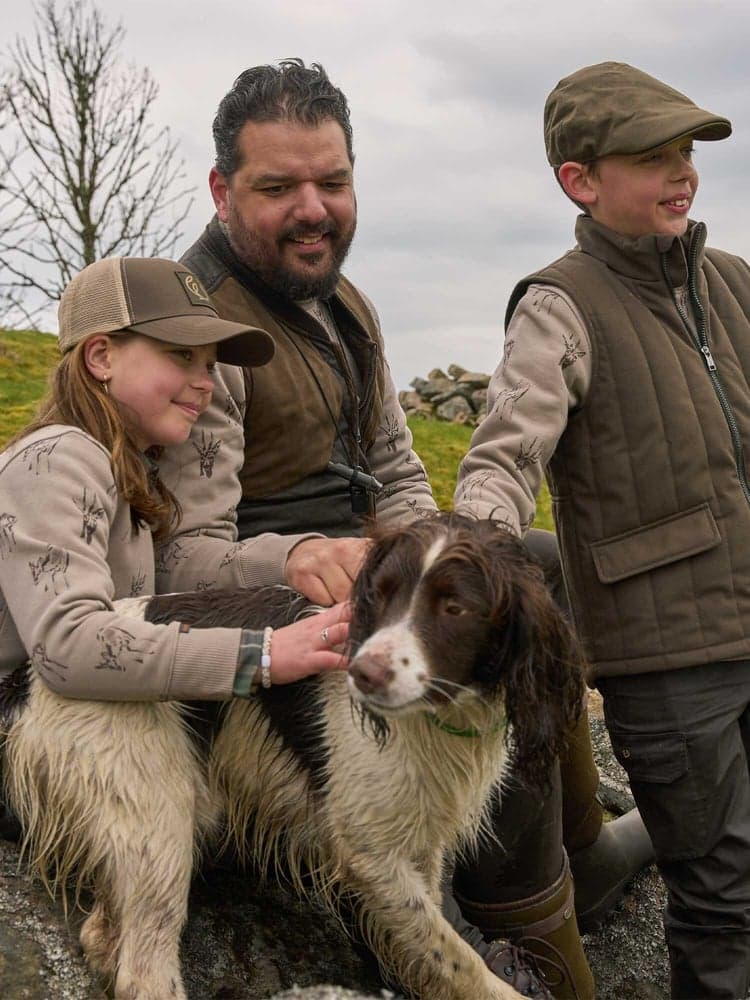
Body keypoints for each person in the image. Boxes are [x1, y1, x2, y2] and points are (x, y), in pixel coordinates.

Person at [156, 60, 648, 1000]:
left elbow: (394, 468)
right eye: (278, 187)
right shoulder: (197, 330)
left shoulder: (348, 305)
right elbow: (186, 552)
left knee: (528, 571)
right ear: (222, 191)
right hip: (284, 606)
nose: (314, 209)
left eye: (333, 183)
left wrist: (445, 550)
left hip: (380, 573)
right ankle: (521, 918)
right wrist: (302, 555)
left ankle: (577, 847)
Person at [455, 60, 750, 1000]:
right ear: (579, 179)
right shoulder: (558, 305)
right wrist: (469, 569)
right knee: (722, 896)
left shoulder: (737, 284)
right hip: (667, 668)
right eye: (653, 155)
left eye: (687, 153)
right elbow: (504, 454)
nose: (683, 173)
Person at [0, 256, 351, 714]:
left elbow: (164, 578)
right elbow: (68, 645)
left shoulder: (125, 469)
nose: (205, 384)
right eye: (182, 355)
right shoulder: (57, 458)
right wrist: (262, 656)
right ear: (101, 356)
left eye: (209, 365)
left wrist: (293, 561)